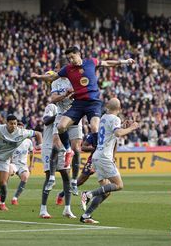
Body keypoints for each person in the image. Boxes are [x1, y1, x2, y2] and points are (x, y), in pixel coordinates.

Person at [31, 46, 135, 181]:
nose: (70, 60)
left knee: (94, 127)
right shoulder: (67, 69)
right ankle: (68, 150)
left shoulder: (91, 62)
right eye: (68, 58)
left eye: (72, 57)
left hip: (93, 102)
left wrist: (125, 62)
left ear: (78, 54)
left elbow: (108, 63)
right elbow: (52, 77)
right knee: (61, 126)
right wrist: (38, 76)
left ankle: (98, 155)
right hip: (78, 103)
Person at [80, 98, 139, 223]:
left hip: (97, 156)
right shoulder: (115, 118)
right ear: (119, 108)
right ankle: (88, 194)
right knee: (118, 185)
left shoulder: (104, 117)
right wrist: (131, 128)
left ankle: (86, 216)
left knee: (106, 191)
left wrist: (123, 126)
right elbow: (117, 134)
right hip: (104, 157)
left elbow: (111, 132)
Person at [45, 58, 83, 195]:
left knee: (76, 148)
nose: (55, 70)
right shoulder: (55, 82)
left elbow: (83, 95)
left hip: (76, 114)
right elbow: (54, 99)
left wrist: (74, 95)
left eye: (57, 68)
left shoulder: (76, 79)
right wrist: (66, 94)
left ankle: (74, 182)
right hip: (61, 114)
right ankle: (52, 177)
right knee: (56, 145)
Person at [39, 103, 76, 219]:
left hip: (63, 147)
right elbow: (45, 120)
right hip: (49, 146)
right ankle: (43, 209)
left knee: (66, 176)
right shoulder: (51, 107)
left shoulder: (73, 109)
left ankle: (67, 209)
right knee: (49, 176)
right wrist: (60, 115)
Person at [56, 133, 95, 205]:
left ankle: (94, 198)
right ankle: (61, 194)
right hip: (94, 160)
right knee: (80, 181)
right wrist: (95, 148)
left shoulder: (110, 133)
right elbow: (83, 147)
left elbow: (115, 144)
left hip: (107, 160)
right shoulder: (94, 135)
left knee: (109, 182)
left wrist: (113, 157)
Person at [10, 121, 34, 205]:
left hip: (23, 165)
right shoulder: (12, 140)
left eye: (21, 128)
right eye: (18, 128)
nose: (20, 129)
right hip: (13, 163)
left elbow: (31, 153)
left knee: (25, 177)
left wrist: (31, 165)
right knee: (7, 173)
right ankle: (0, 195)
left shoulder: (28, 141)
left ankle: (15, 198)